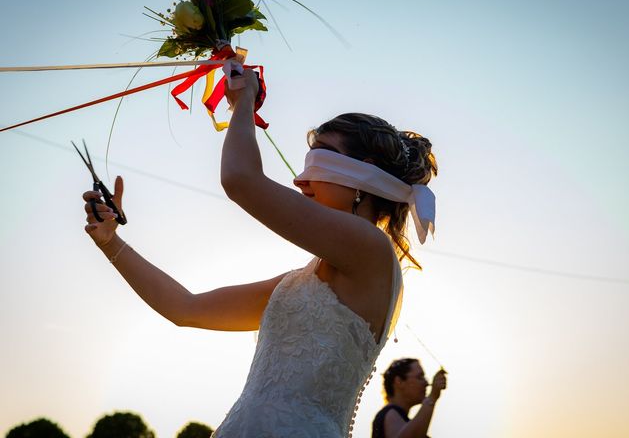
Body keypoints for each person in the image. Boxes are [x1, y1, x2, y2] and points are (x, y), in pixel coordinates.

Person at [82, 67, 438, 438]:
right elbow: (184, 308)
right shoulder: (298, 285)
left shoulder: (372, 249)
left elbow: (240, 179)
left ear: (365, 175)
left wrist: (244, 101)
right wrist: (111, 243)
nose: (300, 180)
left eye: (321, 160)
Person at [371, 358, 447, 438]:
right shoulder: (390, 413)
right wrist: (432, 397)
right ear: (399, 382)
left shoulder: (402, 420)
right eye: (420, 377)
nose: (426, 383)